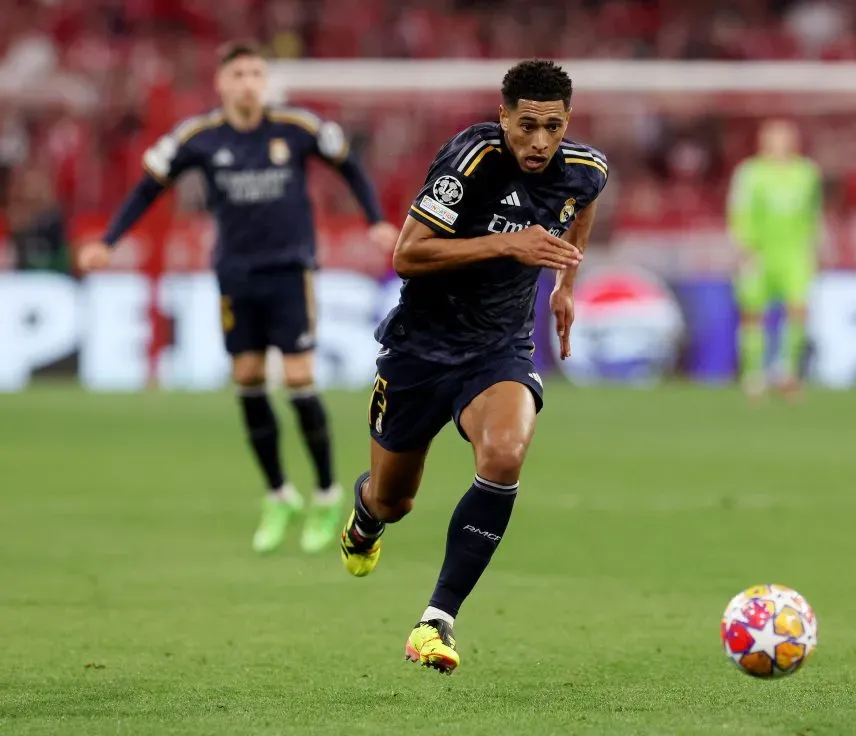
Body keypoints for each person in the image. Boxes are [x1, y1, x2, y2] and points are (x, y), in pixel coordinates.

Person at [338, 60, 608, 674]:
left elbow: (582, 204)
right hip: (421, 349)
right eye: (529, 125)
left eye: (554, 127)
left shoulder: (585, 169)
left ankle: (437, 621)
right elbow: (408, 253)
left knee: (506, 453)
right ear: (505, 114)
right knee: (393, 500)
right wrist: (508, 243)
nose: (540, 141)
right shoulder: (472, 158)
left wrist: (566, 281)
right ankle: (364, 516)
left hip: (498, 350)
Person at [77, 41, 398, 554]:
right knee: (247, 379)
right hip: (235, 275)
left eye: (256, 73)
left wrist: (376, 220)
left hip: (291, 271)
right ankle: (278, 494)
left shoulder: (297, 128)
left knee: (297, 378)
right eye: (239, 74)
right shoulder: (199, 137)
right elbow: (148, 186)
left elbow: (349, 165)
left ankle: (326, 492)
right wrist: (109, 241)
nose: (249, 82)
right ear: (222, 84)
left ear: (264, 82)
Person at [727, 119, 822, 400]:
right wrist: (743, 247)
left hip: (794, 253)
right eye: (773, 138)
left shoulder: (806, 173)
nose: (779, 144)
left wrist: (813, 247)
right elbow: (738, 211)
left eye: (785, 138)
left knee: (798, 310)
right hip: (759, 251)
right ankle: (754, 374)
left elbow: (813, 214)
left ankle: (787, 372)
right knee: (754, 313)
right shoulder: (750, 173)